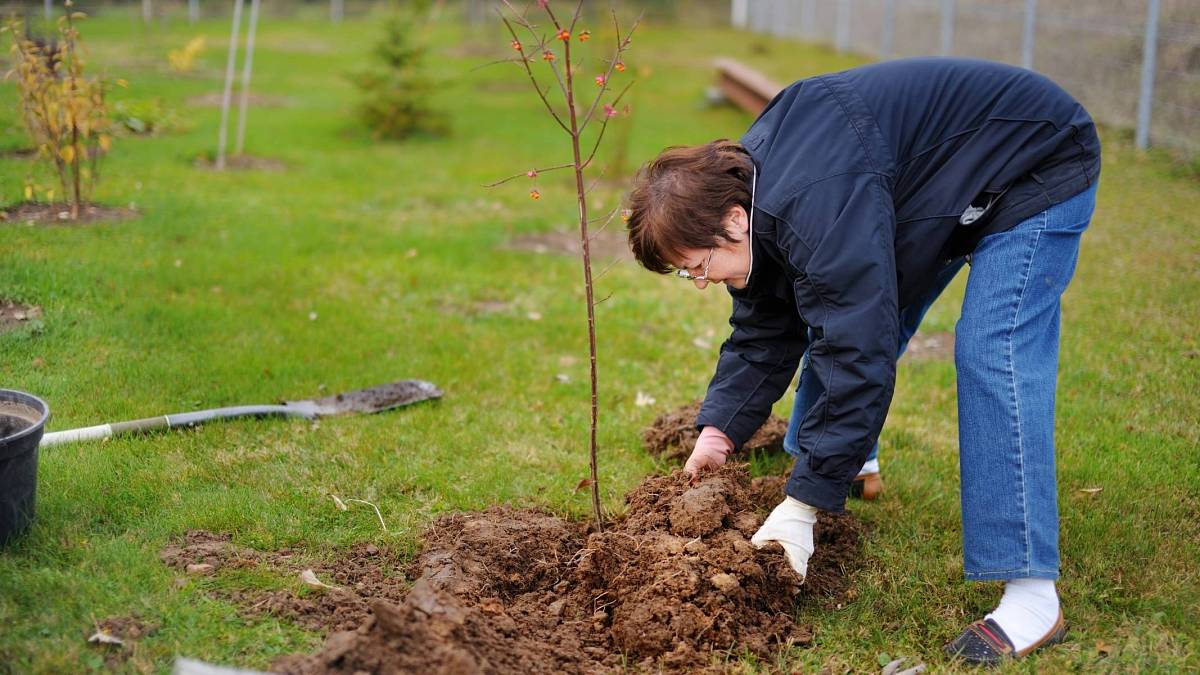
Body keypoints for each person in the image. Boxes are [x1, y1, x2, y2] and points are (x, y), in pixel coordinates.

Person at [624, 57, 1100, 665]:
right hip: (932, 182)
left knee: (992, 351)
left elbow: (857, 346)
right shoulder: (755, 199)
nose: (698, 282)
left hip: (1033, 158)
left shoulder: (811, 202)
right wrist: (720, 430)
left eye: (696, 267)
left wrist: (800, 509)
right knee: (841, 303)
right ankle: (844, 462)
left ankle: (1033, 593)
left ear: (733, 221)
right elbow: (769, 326)